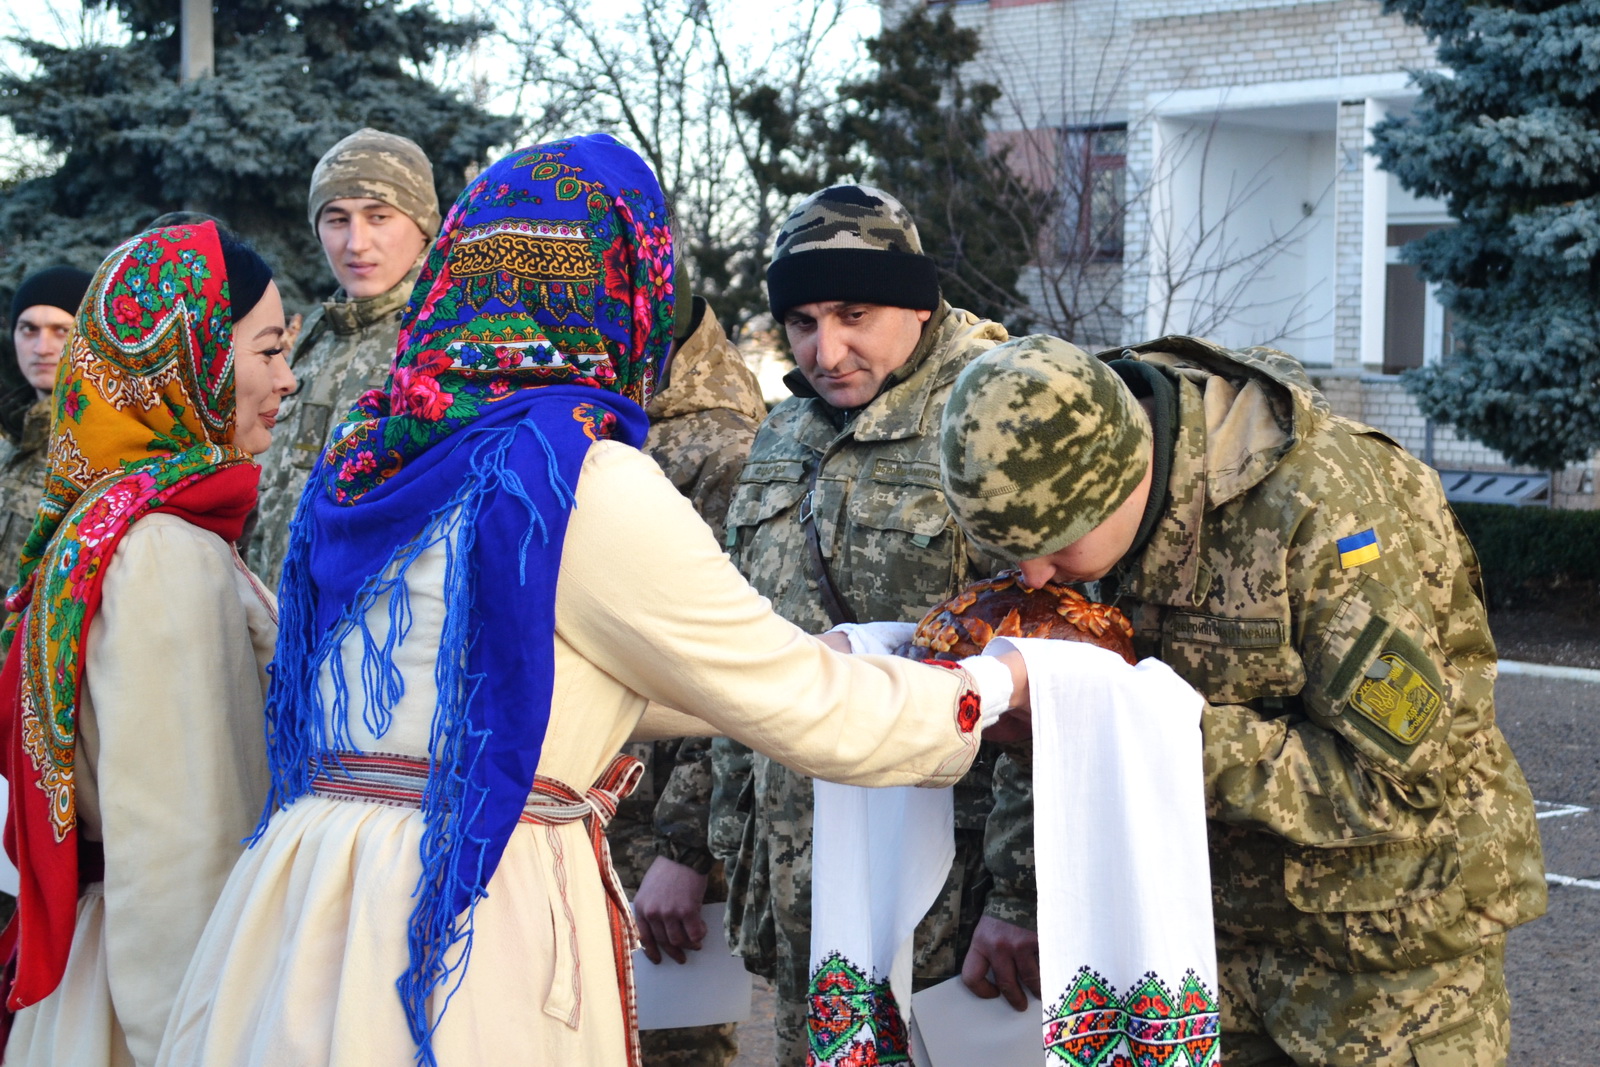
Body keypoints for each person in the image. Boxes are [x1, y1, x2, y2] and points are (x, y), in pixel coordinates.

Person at [155, 135, 1024, 1067]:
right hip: (467, 908)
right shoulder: (580, 475)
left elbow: (521, 671)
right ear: (627, 280)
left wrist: (835, 656)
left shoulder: (369, 451)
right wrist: (993, 686)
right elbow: (804, 709)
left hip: (304, 897)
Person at [937, 333, 1548, 1066]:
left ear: (1130, 473)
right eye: (1009, 552)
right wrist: (1017, 894)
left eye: (1054, 546)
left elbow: (1396, 785)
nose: (1033, 576)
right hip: (1199, 948)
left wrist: (1141, 731)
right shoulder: (1057, 468)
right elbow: (1057, 708)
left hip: (1387, 970)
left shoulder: (1329, 510)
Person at [704, 183, 1033, 1063]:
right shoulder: (784, 435)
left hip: (943, 887)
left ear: (918, 306)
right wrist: (713, 846)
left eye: (855, 313)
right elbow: (745, 645)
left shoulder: (995, 415)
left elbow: (1057, 663)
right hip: (803, 876)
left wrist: (1020, 897)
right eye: (803, 321)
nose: (826, 347)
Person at [0, 221, 296, 1066]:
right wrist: (201, 1038)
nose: (286, 377)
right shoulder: (160, 550)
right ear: (188, 361)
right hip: (161, 1009)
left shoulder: (115, 523)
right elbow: (178, 850)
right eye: (267, 350)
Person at [608, 281, 766, 1067]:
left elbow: (739, 660)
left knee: (675, 1047)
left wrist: (689, 845)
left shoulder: (725, 446)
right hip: (580, 802)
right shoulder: (600, 415)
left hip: (656, 824)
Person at [248, 127, 440, 588]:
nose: (356, 243)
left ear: (423, 225)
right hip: (279, 630)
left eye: (378, 217)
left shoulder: (439, 340)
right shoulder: (316, 335)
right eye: (336, 219)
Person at [0, 267, 93, 593]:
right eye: (29, 330)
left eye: (60, 330)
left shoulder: (95, 450)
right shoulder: (8, 437)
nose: (42, 347)